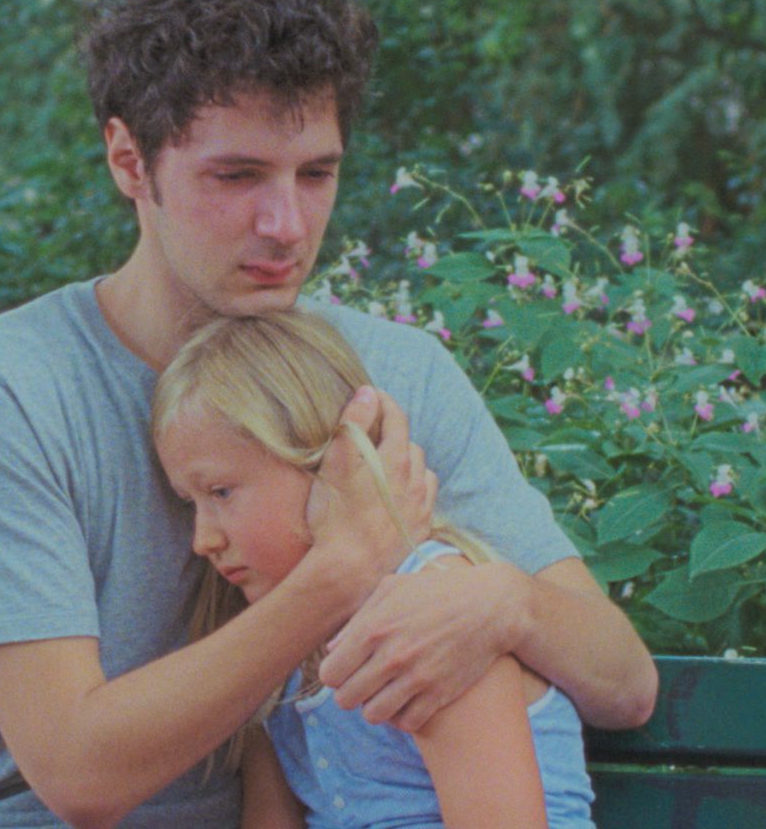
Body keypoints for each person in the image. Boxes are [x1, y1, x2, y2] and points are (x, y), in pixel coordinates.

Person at [0, 0, 654, 826]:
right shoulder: (4, 387)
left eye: (317, 174)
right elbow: (80, 776)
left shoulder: (390, 374)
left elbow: (624, 681)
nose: (287, 224)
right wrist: (341, 569)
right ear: (129, 161)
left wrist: (503, 603)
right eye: (236, 176)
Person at [152, 309, 594, 828]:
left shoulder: (436, 619)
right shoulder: (276, 642)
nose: (203, 539)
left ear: (325, 461)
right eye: (190, 503)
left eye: (221, 492)